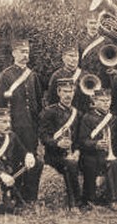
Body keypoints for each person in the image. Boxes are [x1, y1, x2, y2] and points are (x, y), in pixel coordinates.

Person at [0, 39, 43, 203]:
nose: (25, 55)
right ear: (13, 53)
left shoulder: (32, 75)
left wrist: (38, 127)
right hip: (14, 127)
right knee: (15, 161)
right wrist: (5, 127)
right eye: (22, 52)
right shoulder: (6, 75)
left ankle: (30, 198)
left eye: (27, 52)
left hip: (30, 127)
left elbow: (37, 102)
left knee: (32, 161)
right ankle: (15, 197)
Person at [39, 78, 82, 209]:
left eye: (71, 91)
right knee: (70, 164)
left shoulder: (77, 113)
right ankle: (74, 203)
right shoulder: (49, 112)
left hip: (73, 154)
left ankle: (91, 199)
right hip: (54, 156)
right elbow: (43, 137)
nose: (68, 95)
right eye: (65, 91)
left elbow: (80, 137)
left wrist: (77, 152)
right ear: (58, 92)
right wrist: (57, 143)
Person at [78, 88, 117, 211]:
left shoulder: (115, 119)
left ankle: (114, 201)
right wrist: (96, 144)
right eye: (102, 100)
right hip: (91, 154)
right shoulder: (87, 118)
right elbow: (82, 141)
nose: (106, 103)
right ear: (95, 101)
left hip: (109, 154)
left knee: (113, 162)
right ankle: (90, 199)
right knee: (90, 163)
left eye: (108, 100)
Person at [46, 45, 91, 113]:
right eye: (71, 55)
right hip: (63, 115)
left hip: (82, 114)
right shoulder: (57, 75)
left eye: (76, 56)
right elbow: (51, 99)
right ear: (63, 58)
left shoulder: (86, 75)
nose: (74, 59)